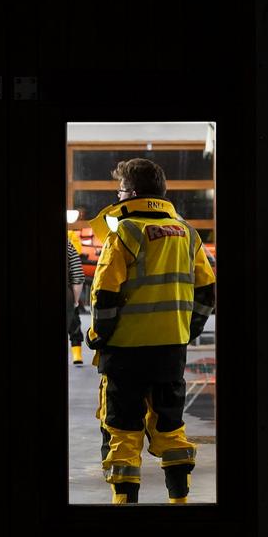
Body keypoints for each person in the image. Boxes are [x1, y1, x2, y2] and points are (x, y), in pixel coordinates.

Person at [86, 159, 216, 504]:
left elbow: (105, 294)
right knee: (170, 424)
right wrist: (189, 330)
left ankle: (125, 504)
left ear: (131, 193)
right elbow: (208, 290)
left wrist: (99, 335)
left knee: (123, 429)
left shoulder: (125, 233)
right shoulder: (187, 233)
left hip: (126, 351)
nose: (117, 195)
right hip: (170, 349)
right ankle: (180, 501)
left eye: (119, 190)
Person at [67, 235, 85, 366]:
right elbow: (77, 276)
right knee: (74, 323)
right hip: (65, 294)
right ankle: (77, 354)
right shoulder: (68, 245)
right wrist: (75, 301)